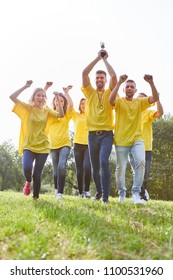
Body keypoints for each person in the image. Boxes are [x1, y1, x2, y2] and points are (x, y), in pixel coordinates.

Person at [109, 74, 159, 204]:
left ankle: (136, 193)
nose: (130, 88)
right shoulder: (119, 101)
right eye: (127, 87)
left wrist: (151, 83)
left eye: (132, 87)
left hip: (137, 139)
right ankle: (122, 194)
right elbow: (110, 100)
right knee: (121, 168)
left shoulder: (139, 102)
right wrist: (119, 83)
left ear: (135, 90)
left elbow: (155, 98)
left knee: (141, 162)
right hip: (121, 141)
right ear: (124, 90)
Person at [9, 80, 64, 200]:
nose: (41, 97)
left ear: (45, 98)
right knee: (27, 168)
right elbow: (12, 97)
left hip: (43, 146)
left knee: (37, 174)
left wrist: (58, 97)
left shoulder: (47, 111)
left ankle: (36, 198)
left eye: (43, 96)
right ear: (33, 97)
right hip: (29, 145)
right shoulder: (27, 108)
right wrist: (25, 86)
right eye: (38, 95)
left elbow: (61, 115)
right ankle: (28, 181)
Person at [81, 49, 117, 203]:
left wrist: (105, 60)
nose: (99, 80)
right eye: (97, 78)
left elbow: (114, 76)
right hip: (92, 135)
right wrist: (97, 58)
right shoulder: (89, 92)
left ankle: (105, 197)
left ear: (105, 79)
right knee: (95, 168)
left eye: (102, 78)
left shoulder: (110, 91)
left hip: (107, 134)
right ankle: (99, 192)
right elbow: (84, 73)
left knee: (103, 162)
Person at [129, 92, 164, 201]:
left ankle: (142, 191)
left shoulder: (148, 113)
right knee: (136, 172)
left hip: (146, 147)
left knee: (146, 175)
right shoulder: (131, 112)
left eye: (143, 99)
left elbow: (160, 113)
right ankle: (141, 194)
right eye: (138, 98)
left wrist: (157, 99)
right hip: (132, 146)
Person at [45, 83, 73, 200]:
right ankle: (56, 189)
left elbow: (71, 104)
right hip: (53, 145)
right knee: (56, 171)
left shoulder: (66, 114)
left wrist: (66, 93)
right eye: (57, 100)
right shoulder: (50, 113)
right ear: (54, 102)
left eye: (61, 101)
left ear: (63, 103)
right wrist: (45, 88)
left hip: (65, 144)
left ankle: (60, 193)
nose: (59, 102)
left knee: (62, 166)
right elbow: (41, 103)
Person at [72, 98, 91, 198]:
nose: (84, 105)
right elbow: (70, 106)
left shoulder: (92, 116)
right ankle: (80, 192)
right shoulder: (76, 115)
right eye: (82, 103)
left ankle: (87, 190)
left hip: (89, 145)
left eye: (86, 104)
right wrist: (67, 93)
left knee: (87, 167)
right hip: (77, 145)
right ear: (80, 105)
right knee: (79, 170)